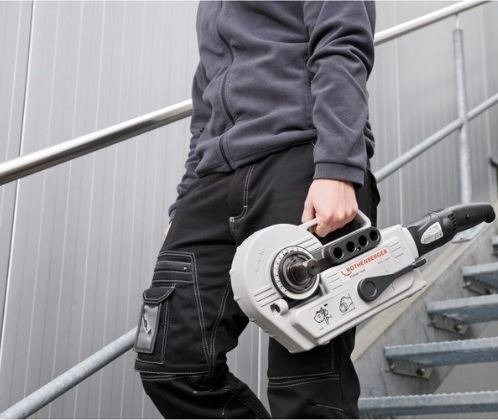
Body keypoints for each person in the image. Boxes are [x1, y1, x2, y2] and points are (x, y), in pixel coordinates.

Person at [133, 2, 379, 418]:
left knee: (307, 388)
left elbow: (341, 41)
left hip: (300, 162)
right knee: (170, 362)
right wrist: (185, 199)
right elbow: (206, 101)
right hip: (212, 179)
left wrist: (338, 165)